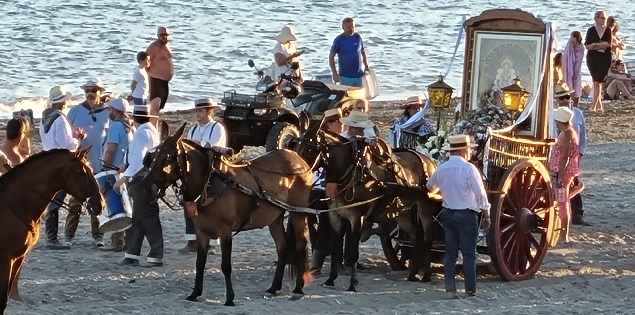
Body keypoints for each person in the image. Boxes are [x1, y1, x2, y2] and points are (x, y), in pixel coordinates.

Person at [425, 135, 490, 298]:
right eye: (468, 149)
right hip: (466, 214)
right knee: (468, 254)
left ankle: (450, 288)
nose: (469, 152)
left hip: (448, 213)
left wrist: (443, 191)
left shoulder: (442, 168)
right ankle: (470, 289)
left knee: (450, 253)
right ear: (462, 150)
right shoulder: (469, 169)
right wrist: (486, 212)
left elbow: (429, 186)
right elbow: (480, 194)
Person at [63, 78, 111, 247]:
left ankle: (98, 237)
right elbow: (66, 135)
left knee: (98, 201)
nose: (90, 93)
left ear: (100, 92)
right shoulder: (75, 111)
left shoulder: (107, 112)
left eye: (94, 90)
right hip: (79, 165)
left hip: (99, 163)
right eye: (87, 90)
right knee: (75, 201)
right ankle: (68, 236)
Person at [115, 105, 163, 267]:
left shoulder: (142, 133)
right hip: (147, 179)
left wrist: (124, 177)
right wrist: (126, 167)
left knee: (147, 218)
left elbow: (140, 159)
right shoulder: (151, 131)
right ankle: (132, 254)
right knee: (139, 218)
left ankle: (156, 255)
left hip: (142, 180)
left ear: (134, 119)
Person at [41, 85, 86, 249]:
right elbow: (68, 145)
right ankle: (52, 238)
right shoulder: (60, 119)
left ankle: (50, 235)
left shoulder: (45, 117)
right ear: (63, 102)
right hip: (60, 162)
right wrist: (78, 138)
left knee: (53, 197)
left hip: (48, 159)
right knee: (58, 197)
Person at [180, 98, 226, 254]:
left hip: (214, 168)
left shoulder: (217, 128)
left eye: (200, 111)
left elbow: (210, 148)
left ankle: (212, 241)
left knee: (212, 199)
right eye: (196, 111)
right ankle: (191, 240)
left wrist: (198, 144)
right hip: (196, 170)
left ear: (209, 112)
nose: (197, 114)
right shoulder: (193, 129)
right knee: (187, 198)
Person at [310, 108, 344, 274]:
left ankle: (319, 260)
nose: (341, 125)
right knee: (328, 222)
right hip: (320, 189)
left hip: (315, 188)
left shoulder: (334, 142)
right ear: (330, 123)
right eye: (339, 122)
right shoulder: (330, 144)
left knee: (323, 224)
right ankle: (318, 263)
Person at [100, 98, 134, 252]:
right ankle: (129, 240)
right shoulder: (130, 125)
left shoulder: (115, 126)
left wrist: (104, 166)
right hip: (127, 169)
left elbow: (111, 149)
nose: (108, 112)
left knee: (117, 206)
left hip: (114, 169)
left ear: (115, 110)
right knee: (128, 204)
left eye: (109, 110)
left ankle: (117, 241)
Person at [554, 84, 589, 226]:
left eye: (566, 96)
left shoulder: (578, 114)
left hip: (571, 155)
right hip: (559, 154)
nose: (564, 100)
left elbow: (584, 136)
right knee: (566, 186)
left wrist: (580, 154)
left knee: (566, 184)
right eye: (561, 97)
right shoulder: (554, 115)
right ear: (557, 99)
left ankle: (576, 214)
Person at [549, 107, 580, 244]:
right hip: (559, 171)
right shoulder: (567, 132)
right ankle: (562, 233)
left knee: (562, 201)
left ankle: (564, 235)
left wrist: (560, 176)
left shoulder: (567, 134)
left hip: (563, 172)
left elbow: (564, 156)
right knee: (562, 200)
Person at [329, 17, 370, 87]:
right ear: (343, 27)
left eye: (353, 27)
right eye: (349, 27)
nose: (351, 29)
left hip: (359, 76)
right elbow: (331, 56)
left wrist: (366, 66)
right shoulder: (339, 40)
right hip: (345, 77)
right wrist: (335, 73)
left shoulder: (357, 37)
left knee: (359, 97)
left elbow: (363, 52)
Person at [585, 10, 612, 112]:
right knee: (596, 81)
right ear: (596, 19)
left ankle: (593, 106)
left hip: (604, 59)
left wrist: (595, 45)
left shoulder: (608, 30)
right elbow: (588, 45)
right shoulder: (591, 30)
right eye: (601, 18)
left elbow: (608, 44)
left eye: (604, 18)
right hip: (593, 59)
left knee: (598, 81)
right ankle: (599, 106)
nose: (603, 20)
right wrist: (599, 45)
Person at [146, 26, 174, 114]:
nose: (164, 37)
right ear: (157, 35)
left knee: (160, 108)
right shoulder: (153, 47)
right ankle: (151, 126)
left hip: (164, 82)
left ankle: (155, 126)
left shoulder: (167, 45)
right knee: (155, 107)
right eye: (162, 35)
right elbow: (144, 62)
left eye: (166, 35)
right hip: (156, 80)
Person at [563, 31, 585, 107]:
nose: (570, 38)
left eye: (571, 37)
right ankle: (570, 103)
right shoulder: (570, 45)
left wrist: (575, 68)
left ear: (575, 37)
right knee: (570, 85)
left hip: (576, 69)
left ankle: (576, 105)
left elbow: (579, 59)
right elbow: (566, 56)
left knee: (577, 86)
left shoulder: (581, 46)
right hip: (569, 68)